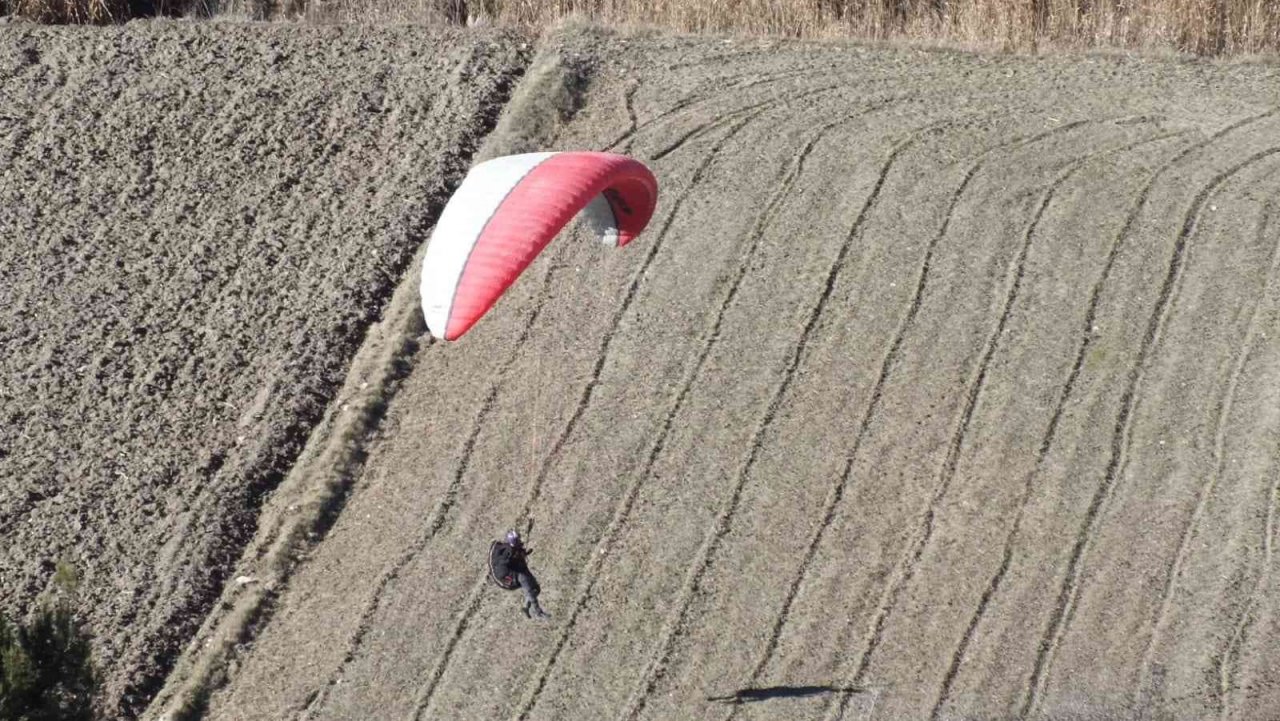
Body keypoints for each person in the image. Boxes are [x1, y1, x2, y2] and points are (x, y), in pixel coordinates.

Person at [489, 530, 549, 619]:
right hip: (509, 576)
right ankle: (537, 612)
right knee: (529, 589)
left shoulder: (512, 549)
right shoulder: (507, 554)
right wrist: (518, 557)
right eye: (518, 540)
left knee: (536, 589)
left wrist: (522, 554)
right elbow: (505, 565)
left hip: (518, 568)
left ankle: (526, 606)